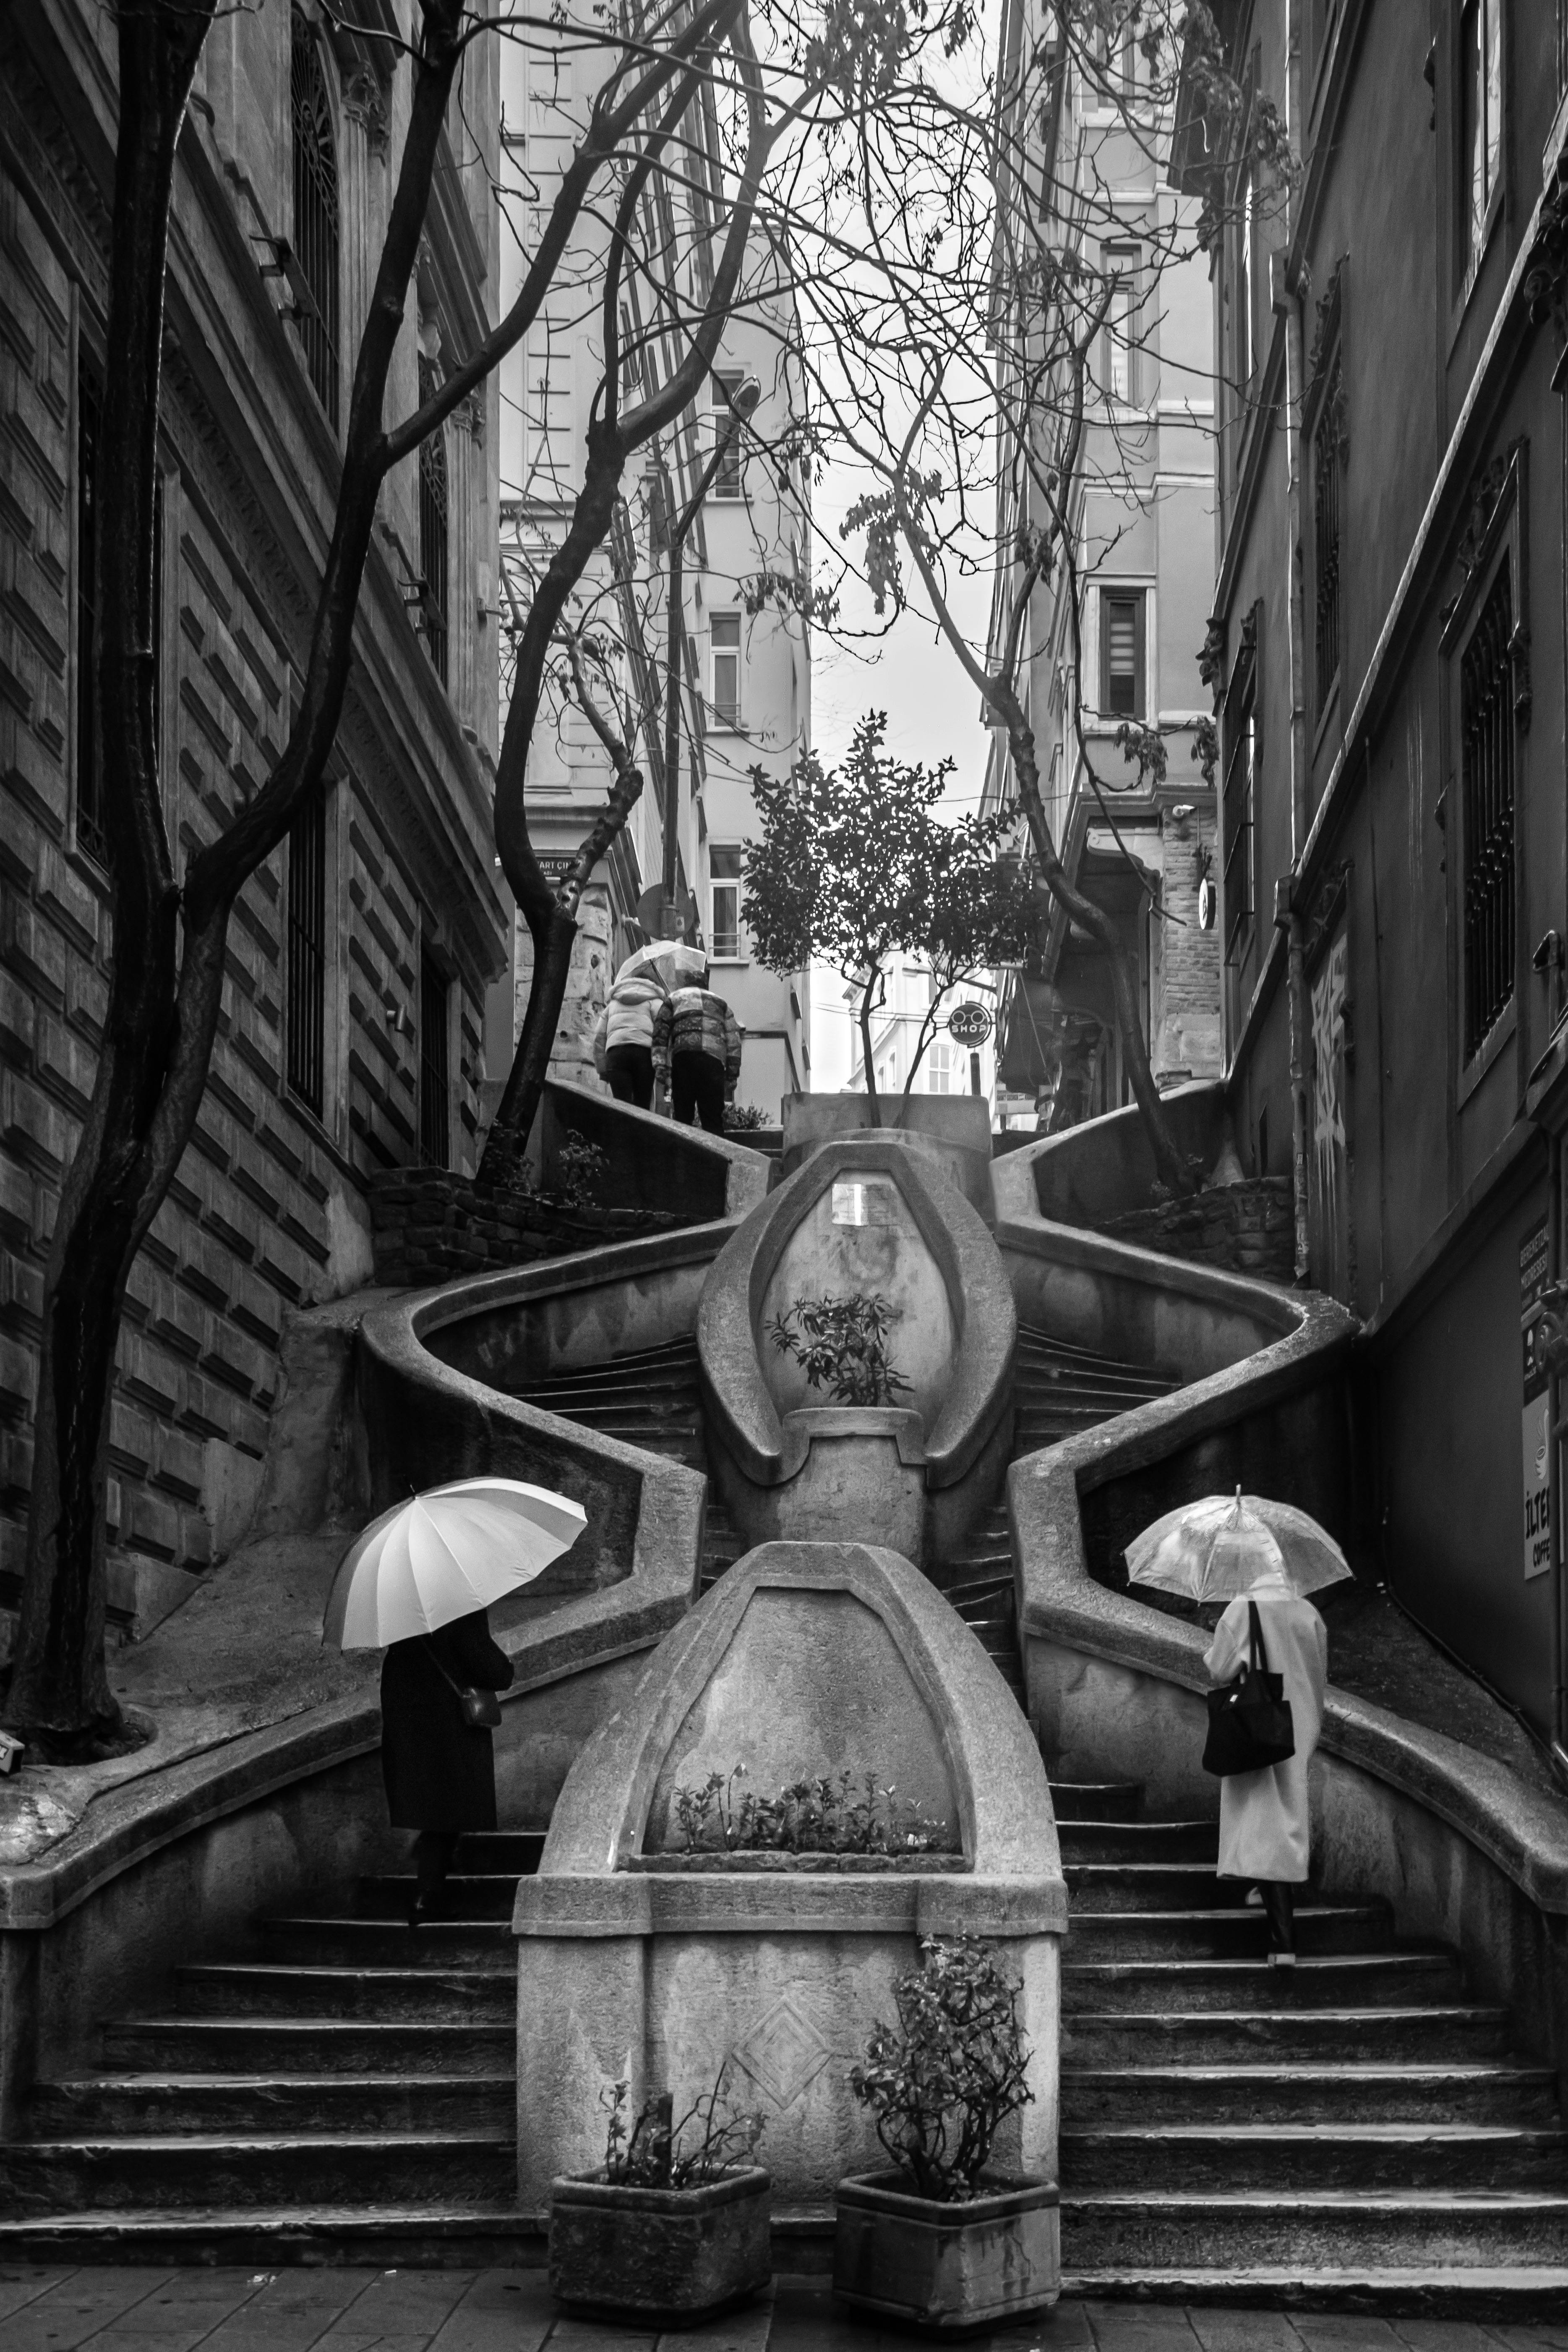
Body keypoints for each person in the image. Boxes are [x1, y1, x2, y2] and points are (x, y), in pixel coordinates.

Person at [1203, 1563, 1328, 1966]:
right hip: (1301, 1721)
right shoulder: (1308, 1612)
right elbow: (1318, 1672)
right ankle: (1263, 1889)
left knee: (1265, 1820)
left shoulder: (1243, 1608)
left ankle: (1283, 1941)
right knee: (1284, 1818)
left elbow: (1218, 1668)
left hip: (1259, 1723)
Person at [381, 1606, 514, 1927]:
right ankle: (428, 1894)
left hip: (413, 1728)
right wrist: (505, 1668)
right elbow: (490, 1668)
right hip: (451, 1727)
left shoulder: (400, 1617)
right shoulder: (459, 1606)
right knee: (447, 1809)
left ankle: (432, 1874)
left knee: (438, 1809)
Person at [651, 970, 743, 1134]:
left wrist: (660, 1065)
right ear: (705, 984)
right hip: (713, 1061)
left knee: (682, 1116)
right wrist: (732, 1075)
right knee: (713, 1119)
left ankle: (685, 1156)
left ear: (686, 983)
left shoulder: (674, 998)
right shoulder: (721, 1003)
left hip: (684, 1058)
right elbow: (734, 1040)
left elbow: (661, 1032)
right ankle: (716, 1157)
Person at [591, 959, 670, 1111]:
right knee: (642, 1106)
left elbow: (599, 1038)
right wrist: (665, 1064)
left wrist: (603, 1069)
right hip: (644, 1055)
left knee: (622, 1107)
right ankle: (640, 1134)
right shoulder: (654, 1002)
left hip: (616, 1054)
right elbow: (664, 1030)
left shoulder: (612, 1005)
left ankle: (623, 1134)